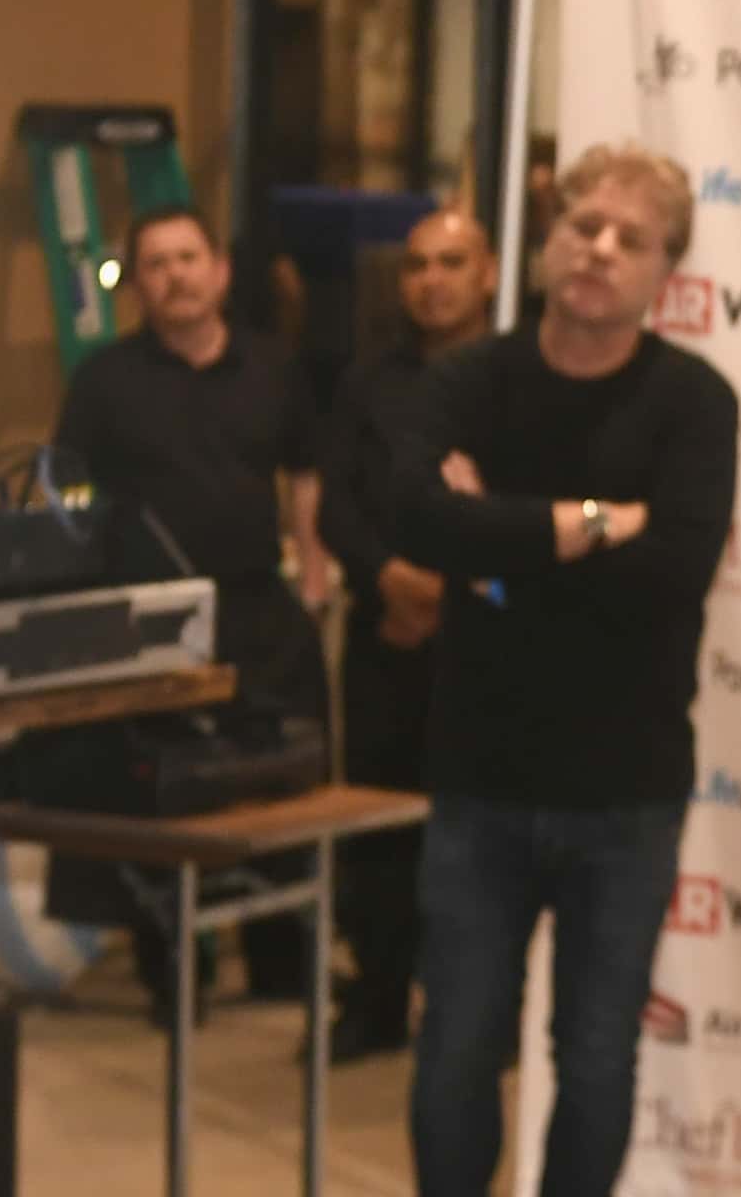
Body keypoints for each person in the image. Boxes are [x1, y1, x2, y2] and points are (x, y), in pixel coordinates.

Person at [386, 143, 738, 1197]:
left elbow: (673, 571)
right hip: (479, 777)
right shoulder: (466, 379)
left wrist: (500, 533)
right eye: (583, 224)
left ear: (665, 273)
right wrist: (594, 523)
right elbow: (418, 520)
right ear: (546, 242)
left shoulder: (693, 401)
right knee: (453, 1049)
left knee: (593, 1060)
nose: (599, 248)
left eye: (632, 238)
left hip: (624, 793)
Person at [50, 202, 331, 1024]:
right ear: (138, 285)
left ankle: (282, 962)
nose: (175, 275)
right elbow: (71, 492)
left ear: (219, 271)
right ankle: (171, 976)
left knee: (275, 788)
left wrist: (313, 571)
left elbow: (307, 473)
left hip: (258, 611)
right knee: (159, 797)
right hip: (150, 623)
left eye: (187, 258)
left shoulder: (274, 367)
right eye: (156, 264)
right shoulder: (104, 380)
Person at [313, 207, 497, 1063]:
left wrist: (447, 588)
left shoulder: (518, 375)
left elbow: (523, 501)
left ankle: (476, 1017)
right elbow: (340, 502)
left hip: (486, 636)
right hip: (385, 632)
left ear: (488, 273)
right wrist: (389, 578)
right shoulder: (366, 382)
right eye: (418, 265)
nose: (432, 280)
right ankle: (376, 997)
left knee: (480, 831)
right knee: (378, 828)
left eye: (452, 262)